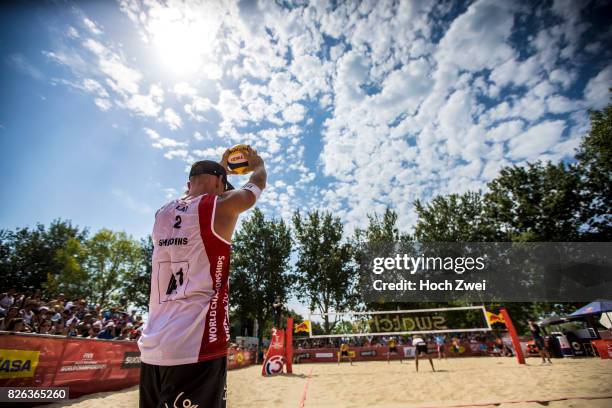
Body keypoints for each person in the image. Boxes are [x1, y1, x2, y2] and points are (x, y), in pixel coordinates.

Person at [138, 146, 266, 408]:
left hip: (152, 348)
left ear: (188, 184)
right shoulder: (219, 207)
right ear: (220, 183)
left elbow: (196, 198)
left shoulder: (161, 213)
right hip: (196, 346)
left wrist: (220, 170)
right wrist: (258, 164)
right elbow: (255, 186)